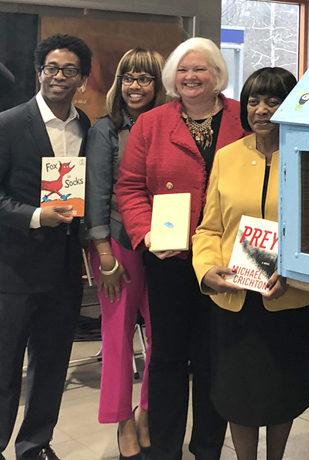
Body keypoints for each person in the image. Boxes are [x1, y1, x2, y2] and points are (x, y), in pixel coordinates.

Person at [115, 37, 247, 460]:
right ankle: (165, 447)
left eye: (200, 69)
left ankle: (207, 447)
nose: (190, 77)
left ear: (217, 75)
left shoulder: (243, 119)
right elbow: (130, 187)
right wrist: (146, 233)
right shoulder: (151, 123)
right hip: (169, 258)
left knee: (216, 356)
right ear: (173, 77)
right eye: (183, 70)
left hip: (225, 258)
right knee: (168, 357)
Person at [192, 67, 309, 460]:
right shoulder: (227, 157)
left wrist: (294, 270)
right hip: (233, 300)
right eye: (253, 101)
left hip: (290, 299)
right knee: (237, 394)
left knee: (284, 389)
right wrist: (207, 270)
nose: (262, 109)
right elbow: (208, 228)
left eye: (273, 100)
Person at [0, 34, 92, 460]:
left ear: (82, 80)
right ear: (39, 73)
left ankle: (34, 445)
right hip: (13, 272)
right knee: (4, 370)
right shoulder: (9, 123)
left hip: (63, 272)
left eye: (69, 70)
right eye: (52, 68)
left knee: (52, 366)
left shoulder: (86, 126)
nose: (58, 76)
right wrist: (36, 215)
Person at [85, 48, 166, 460]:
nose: (136, 86)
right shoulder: (105, 129)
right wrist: (104, 254)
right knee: (117, 338)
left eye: (146, 78)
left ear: (158, 85)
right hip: (118, 246)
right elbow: (96, 193)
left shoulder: (169, 126)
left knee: (162, 337)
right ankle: (122, 423)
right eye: (130, 77)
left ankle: (147, 413)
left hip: (166, 247)